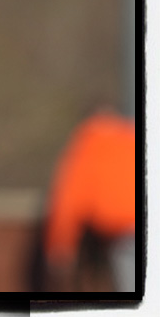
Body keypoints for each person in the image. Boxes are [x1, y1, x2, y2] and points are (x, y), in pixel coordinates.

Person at [41, 107, 136, 292]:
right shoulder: (130, 136)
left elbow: (69, 202)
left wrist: (60, 248)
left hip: (125, 234)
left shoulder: (88, 145)